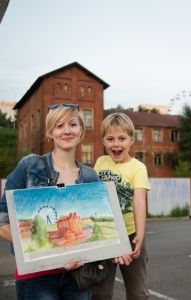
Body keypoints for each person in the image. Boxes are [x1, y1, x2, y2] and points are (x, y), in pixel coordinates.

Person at [0, 104, 131, 300]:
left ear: (81, 131)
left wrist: (115, 250)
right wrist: (49, 248)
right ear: (50, 132)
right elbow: (2, 219)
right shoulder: (29, 166)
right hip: (36, 277)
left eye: (73, 124)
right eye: (59, 126)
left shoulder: (90, 176)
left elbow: (102, 236)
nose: (67, 130)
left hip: (78, 277)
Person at [92, 112, 151, 300]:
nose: (116, 144)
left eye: (121, 138)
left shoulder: (137, 167)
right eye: (110, 139)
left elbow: (139, 201)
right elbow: (94, 196)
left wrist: (140, 236)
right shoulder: (101, 163)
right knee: (100, 292)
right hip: (105, 236)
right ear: (103, 141)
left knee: (138, 293)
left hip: (131, 235)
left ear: (131, 140)